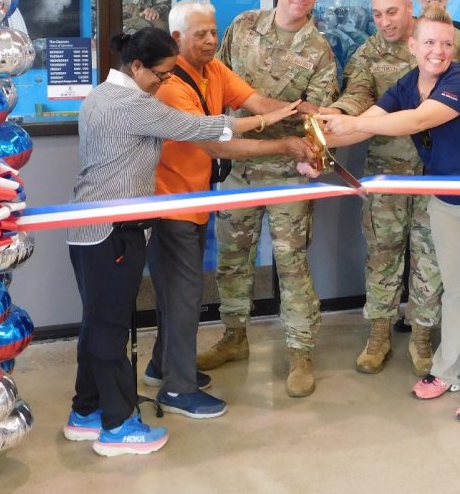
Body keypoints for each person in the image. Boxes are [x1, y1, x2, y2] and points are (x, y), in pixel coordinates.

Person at [62, 27, 300, 456]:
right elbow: (206, 127)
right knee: (111, 330)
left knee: (97, 323)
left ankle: (86, 411)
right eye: (161, 74)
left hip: (90, 229)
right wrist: (269, 120)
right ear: (136, 66)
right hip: (112, 232)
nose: (165, 82)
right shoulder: (132, 105)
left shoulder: (100, 95)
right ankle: (117, 426)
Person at [317, 4, 460, 423]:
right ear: (412, 46)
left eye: (446, 43)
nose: (439, 50)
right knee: (455, 291)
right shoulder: (406, 83)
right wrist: (331, 130)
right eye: (430, 42)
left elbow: (415, 121)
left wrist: (354, 125)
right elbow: (372, 118)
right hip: (446, 199)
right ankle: (448, 372)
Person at [302, 0, 460, 377]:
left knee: (431, 258)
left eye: (391, 12)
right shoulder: (369, 53)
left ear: (411, 6)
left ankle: (422, 337)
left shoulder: (449, 43)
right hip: (388, 173)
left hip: (439, 174)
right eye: (376, 15)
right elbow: (360, 100)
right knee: (383, 254)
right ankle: (379, 335)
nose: (384, 22)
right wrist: (331, 125)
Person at [148, 0, 315, 419]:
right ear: (176, 39)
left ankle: (161, 365)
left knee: (177, 294)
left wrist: (297, 111)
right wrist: (283, 143)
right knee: (184, 296)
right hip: (172, 206)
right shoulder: (171, 88)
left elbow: (254, 101)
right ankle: (178, 389)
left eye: (213, 31)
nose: (210, 40)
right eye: (200, 34)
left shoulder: (213, 71)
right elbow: (216, 142)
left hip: (197, 200)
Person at [196, 0, 339, 398]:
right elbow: (214, 83)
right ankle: (235, 335)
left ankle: (299, 350)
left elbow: (313, 119)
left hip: (287, 173)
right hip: (238, 165)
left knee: (291, 263)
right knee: (232, 260)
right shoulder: (242, 27)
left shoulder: (321, 51)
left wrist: (304, 142)